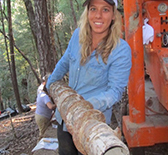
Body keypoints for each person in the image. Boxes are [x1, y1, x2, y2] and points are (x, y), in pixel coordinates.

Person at [46, 0, 132, 154]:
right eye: (93, 9)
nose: (98, 15)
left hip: (91, 124)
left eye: (105, 9)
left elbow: (115, 92)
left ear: (113, 15)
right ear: (87, 12)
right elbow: (65, 62)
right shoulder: (78, 34)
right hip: (65, 119)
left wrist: (83, 107)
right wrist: (50, 84)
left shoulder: (121, 50)